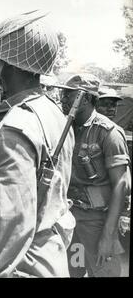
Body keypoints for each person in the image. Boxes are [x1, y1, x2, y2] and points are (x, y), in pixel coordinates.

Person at [0, 10, 75, 278]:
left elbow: (9, 225)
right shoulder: (53, 113)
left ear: (8, 62)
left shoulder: (14, 126)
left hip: (20, 265)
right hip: (49, 253)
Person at [55, 73, 131, 277]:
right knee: (74, 271)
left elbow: (121, 185)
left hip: (97, 222)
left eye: (68, 95)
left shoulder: (109, 133)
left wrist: (107, 236)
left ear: (86, 98)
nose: (62, 98)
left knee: (104, 272)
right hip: (70, 218)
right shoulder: (65, 128)